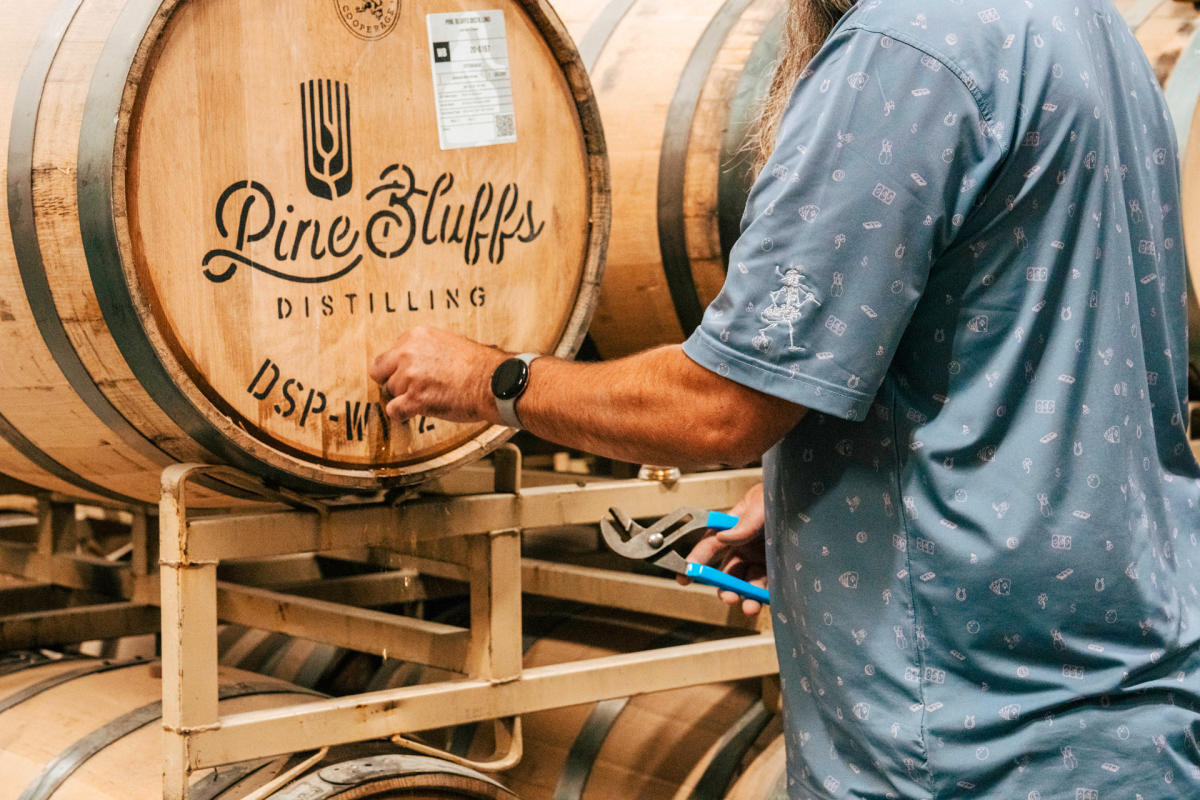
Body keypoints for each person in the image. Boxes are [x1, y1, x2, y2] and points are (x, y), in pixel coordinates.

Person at [370, 0, 1200, 796]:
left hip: (965, 732)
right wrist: (831, 479)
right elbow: (1028, 335)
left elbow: (718, 407)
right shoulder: (1090, 25)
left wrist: (491, 379)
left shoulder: (907, 49)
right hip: (1121, 712)